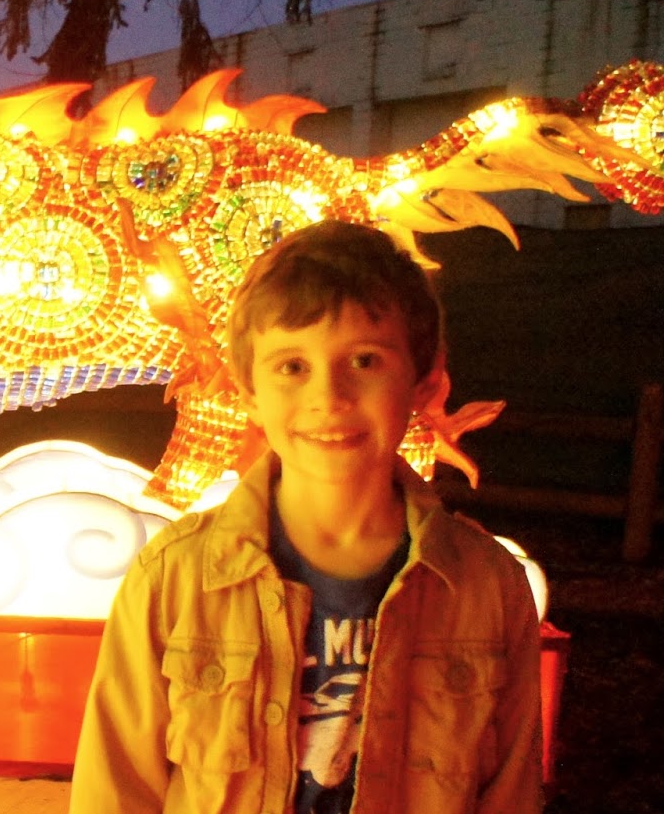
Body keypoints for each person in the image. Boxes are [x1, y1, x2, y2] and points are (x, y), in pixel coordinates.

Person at [71, 219, 543, 814]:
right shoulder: (173, 579)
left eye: (365, 360)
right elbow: (116, 790)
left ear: (424, 381)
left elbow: (511, 792)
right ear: (248, 391)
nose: (329, 398)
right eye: (292, 366)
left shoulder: (489, 588)